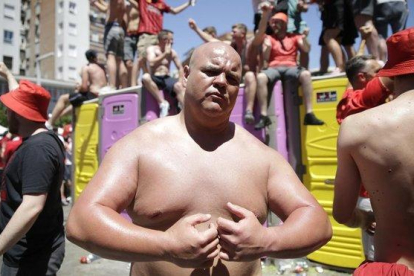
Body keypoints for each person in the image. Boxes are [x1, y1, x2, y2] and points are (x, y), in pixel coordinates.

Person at [66, 41, 332, 276]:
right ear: (185, 74)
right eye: (210, 71)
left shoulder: (261, 156)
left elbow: (317, 224)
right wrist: (166, 245)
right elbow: (82, 222)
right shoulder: (140, 146)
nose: (220, 81)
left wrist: (266, 240)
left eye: (231, 77)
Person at [333, 28, 414, 275]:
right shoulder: (356, 99)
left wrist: (364, 219)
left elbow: (342, 213)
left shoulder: (356, 127)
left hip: (394, 264)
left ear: (392, 73)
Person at [0, 67, 66, 275]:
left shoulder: (38, 150)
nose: (5, 112)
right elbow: (23, 103)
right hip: (26, 252)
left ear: (20, 113)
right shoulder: (41, 137)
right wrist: (8, 75)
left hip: (30, 258)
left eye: (9, 109)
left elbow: (32, 206)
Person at [336, 55, 393, 261]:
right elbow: (381, 85)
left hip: (390, 191)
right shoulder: (350, 102)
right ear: (362, 77)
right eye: (376, 71)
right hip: (372, 196)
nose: (382, 73)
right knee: (378, 258)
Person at [255, 10, 324, 129]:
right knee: (261, 77)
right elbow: (266, 58)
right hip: (274, 67)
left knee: (306, 74)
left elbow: (306, 49)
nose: (273, 25)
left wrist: (305, 38)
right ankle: (264, 116)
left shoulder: (295, 37)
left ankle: (309, 113)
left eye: (276, 22)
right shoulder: (269, 38)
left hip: (291, 66)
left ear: (284, 24)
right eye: (272, 23)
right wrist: (267, 48)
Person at [188, 19, 264, 125]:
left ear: (243, 33)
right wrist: (196, 29)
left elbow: (261, 33)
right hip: (232, 80)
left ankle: (249, 111)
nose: (231, 33)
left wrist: (265, 14)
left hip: (247, 80)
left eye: (234, 31)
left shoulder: (250, 45)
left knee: (249, 75)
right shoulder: (231, 46)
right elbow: (212, 41)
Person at [47, 50, 107, 128]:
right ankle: (58, 117)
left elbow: (84, 87)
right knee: (74, 102)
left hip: (93, 95)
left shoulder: (87, 67)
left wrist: (78, 88)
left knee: (63, 98)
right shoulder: (102, 68)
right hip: (102, 94)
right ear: (94, 57)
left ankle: (49, 123)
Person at [136, 0, 196, 79]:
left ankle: (152, 81)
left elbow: (174, 11)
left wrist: (188, 3)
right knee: (141, 59)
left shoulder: (161, 3)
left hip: (159, 36)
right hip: (147, 33)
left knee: (158, 59)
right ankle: (138, 82)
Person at [141, 30, 185, 117]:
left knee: (178, 86)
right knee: (145, 77)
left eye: (172, 39)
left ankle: (188, 109)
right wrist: (165, 54)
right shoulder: (152, 49)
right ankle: (163, 103)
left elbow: (180, 68)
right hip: (155, 77)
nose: (172, 42)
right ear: (162, 39)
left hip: (167, 77)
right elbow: (151, 63)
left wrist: (180, 81)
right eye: (169, 39)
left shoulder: (172, 52)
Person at [91, 0, 128, 89]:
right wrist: (97, 3)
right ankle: (125, 86)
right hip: (120, 29)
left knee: (110, 57)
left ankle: (112, 85)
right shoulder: (123, 2)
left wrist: (95, 3)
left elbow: (106, 9)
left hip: (111, 27)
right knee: (119, 60)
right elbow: (107, 8)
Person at [123, 0, 140, 87]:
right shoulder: (127, 7)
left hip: (138, 36)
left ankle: (134, 82)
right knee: (128, 63)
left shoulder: (140, 4)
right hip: (128, 36)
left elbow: (137, 6)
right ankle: (129, 84)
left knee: (139, 62)